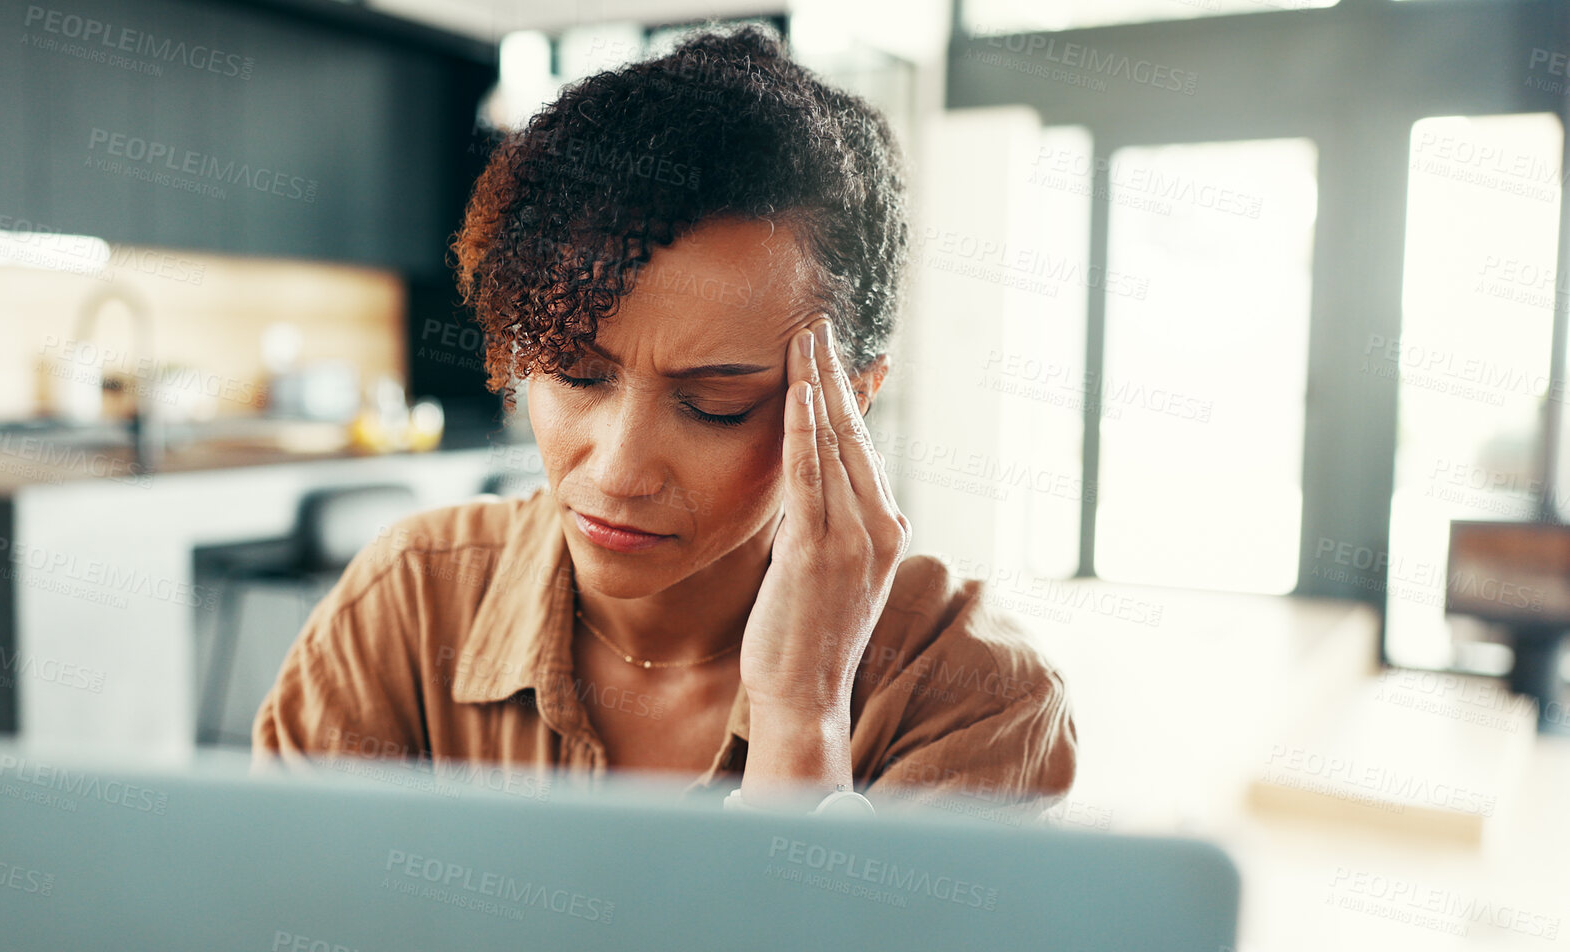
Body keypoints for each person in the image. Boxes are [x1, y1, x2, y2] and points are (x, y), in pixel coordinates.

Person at [254, 25, 1076, 816]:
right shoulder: (409, 604)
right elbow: (280, 935)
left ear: (852, 397)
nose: (616, 470)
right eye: (574, 372)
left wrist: (801, 713)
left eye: (714, 404)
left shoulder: (975, 693)